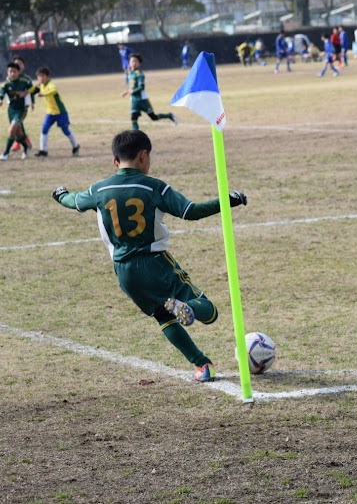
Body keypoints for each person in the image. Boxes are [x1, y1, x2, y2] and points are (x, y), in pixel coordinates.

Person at [50, 129, 248, 383]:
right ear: (144, 155)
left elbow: (73, 201)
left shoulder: (99, 190)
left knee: (163, 316)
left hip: (124, 272)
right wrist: (227, 200)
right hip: (155, 264)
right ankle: (187, 308)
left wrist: (60, 195)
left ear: (115, 161)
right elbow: (191, 211)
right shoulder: (154, 187)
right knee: (209, 311)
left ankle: (202, 365)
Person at [120, 53, 177, 130]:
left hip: (143, 100)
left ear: (139, 64)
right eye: (131, 61)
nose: (133, 63)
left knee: (154, 117)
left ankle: (170, 115)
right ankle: (136, 137)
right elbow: (131, 86)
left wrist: (132, 91)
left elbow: (142, 87)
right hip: (134, 100)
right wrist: (126, 91)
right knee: (133, 118)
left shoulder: (140, 74)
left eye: (135, 61)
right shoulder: (130, 74)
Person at [33, 66, 80, 158]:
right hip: (50, 113)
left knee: (65, 130)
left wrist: (42, 94)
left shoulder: (51, 85)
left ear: (48, 76)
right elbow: (33, 90)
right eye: (39, 76)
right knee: (44, 129)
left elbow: (53, 90)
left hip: (60, 112)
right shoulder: (41, 85)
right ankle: (43, 150)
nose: (40, 78)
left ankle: (76, 146)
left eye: (42, 76)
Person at [0, 61, 34, 160]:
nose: (12, 74)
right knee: (17, 133)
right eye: (10, 71)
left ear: (18, 72)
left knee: (11, 130)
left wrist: (26, 92)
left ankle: (5, 153)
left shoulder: (24, 81)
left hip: (21, 110)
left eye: (14, 71)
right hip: (11, 110)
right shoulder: (6, 83)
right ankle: (26, 147)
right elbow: (1, 93)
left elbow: (34, 89)